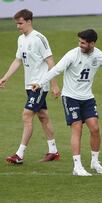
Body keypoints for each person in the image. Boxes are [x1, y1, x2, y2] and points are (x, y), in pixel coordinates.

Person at [32, 29, 102, 176]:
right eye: (79, 42)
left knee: (95, 128)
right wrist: (40, 83)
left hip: (87, 98)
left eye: (83, 42)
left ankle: (95, 161)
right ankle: (77, 167)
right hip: (70, 97)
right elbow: (56, 70)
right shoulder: (72, 54)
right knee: (77, 128)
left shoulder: (99, 56)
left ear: (92, 43)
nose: (80, 44)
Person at [0, 9, 61, 164]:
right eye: (17, 24)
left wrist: (54, 85)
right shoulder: (21, 39)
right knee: (43, 116)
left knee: (27, 115)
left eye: (20, 23)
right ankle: (53, 151)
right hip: (29, 85)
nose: (18, 27)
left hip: (39, 85)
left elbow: (50, 62)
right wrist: (5, 78)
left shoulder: (39, 38)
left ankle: (19, 155)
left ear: (29, 21)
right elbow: (17, 61)